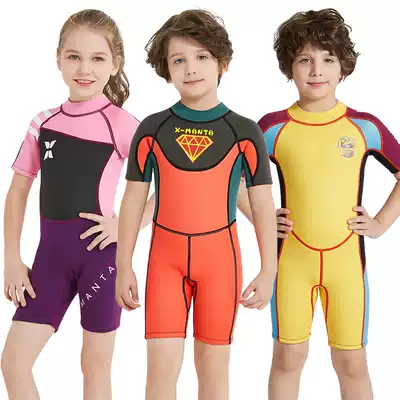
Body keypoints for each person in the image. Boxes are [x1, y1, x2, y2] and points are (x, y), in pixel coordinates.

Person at [237, 8, 400, 400]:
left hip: (347, 267)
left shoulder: (364, 127)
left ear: (343, 66)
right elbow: (230, 179)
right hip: (292, 264)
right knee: (287, 358)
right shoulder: (272, 128)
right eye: (304, 60)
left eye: (328, 59)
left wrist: (380, 223)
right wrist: (260, 216)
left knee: (352, 363)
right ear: (289, 67)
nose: (316, 70)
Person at [115, 9, 277, 400]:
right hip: (164, 263)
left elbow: (262, 206)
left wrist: (269, 269)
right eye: (178, 60)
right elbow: (133, 200)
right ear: (166, 69)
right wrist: (123, 265)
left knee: (212, 368)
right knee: (160, 371)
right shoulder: (152, 128)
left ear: (223, 63)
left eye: (202, 56)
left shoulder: (244, 131)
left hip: (221, 261)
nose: (190, 68)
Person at [1, 9, 144, 400]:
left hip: (102, 259)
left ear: (115, 64)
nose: (85, 68)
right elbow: (17, 192)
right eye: (74, 56)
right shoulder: (43, 123)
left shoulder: (123, 124)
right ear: (59, 59)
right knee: (13, 363)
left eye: (97, 58)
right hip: (49, 261)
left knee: (94, 366)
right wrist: (11, 259)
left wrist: (124, 226)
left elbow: (168, 184)